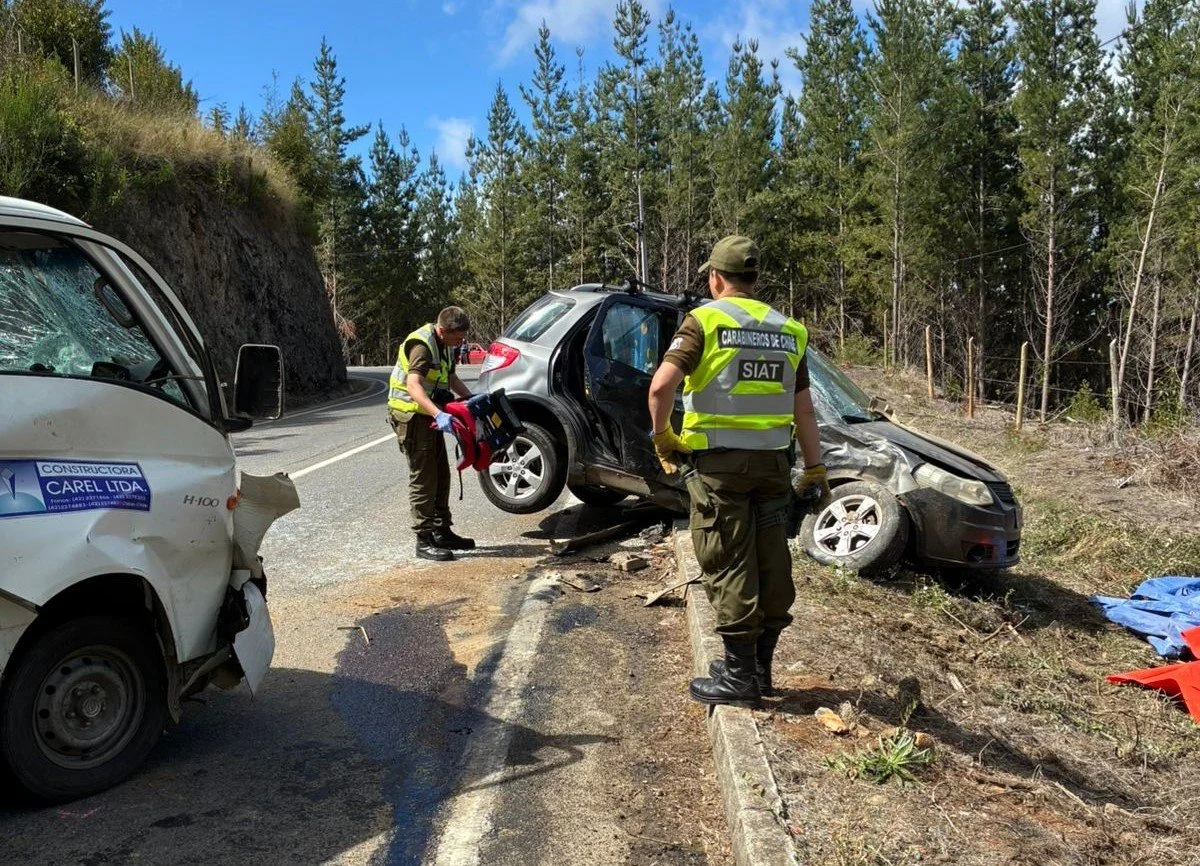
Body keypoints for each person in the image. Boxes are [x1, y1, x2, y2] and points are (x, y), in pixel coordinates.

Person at [647, 236, 830, 706]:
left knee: (728, 560)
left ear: (715, 278)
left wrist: (664, 437)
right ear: (755, 279)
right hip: (773, 465)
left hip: (719, 468)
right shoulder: (790, 330)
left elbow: (659, 388)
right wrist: (814, 468)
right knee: (770, 560)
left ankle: (739, 680)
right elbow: (804, 412)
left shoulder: (705, 320)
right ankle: (759, 671)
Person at [387, 306, 477, 562]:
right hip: (411, 416)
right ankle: (424, 539)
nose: (460, 343)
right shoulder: (423, 347)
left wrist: (469, 399)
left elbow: (450, 378)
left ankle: (442, 531)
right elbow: (413, 385)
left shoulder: (444, 345)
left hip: (427, 415)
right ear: (442, 330)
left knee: (441, 474)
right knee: (424, 478)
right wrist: (438, 414)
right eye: (457, 338)